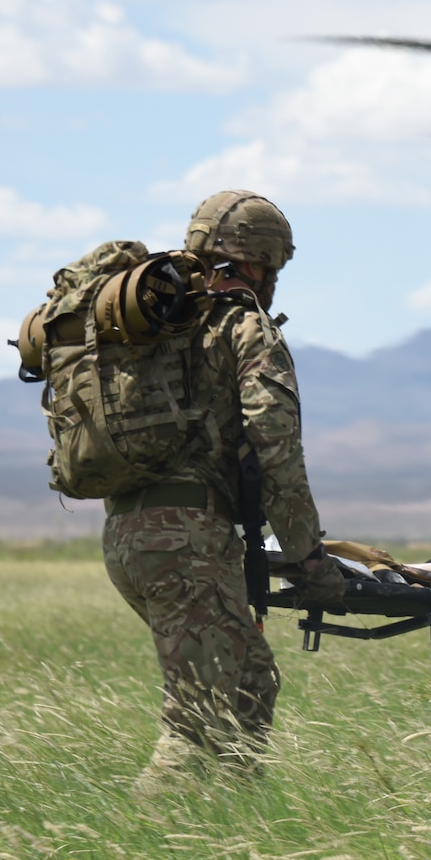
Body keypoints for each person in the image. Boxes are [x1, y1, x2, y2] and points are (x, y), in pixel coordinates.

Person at [83, 191, 345, 790]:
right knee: (197, 716)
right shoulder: (244, 328)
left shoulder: (157, 326)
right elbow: (279, 452)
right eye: (273, 268)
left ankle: (231, 827)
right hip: (188, 540)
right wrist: (309, 558)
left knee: (250, 684)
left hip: (129, 534)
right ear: (259, 262)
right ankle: (139, 843)